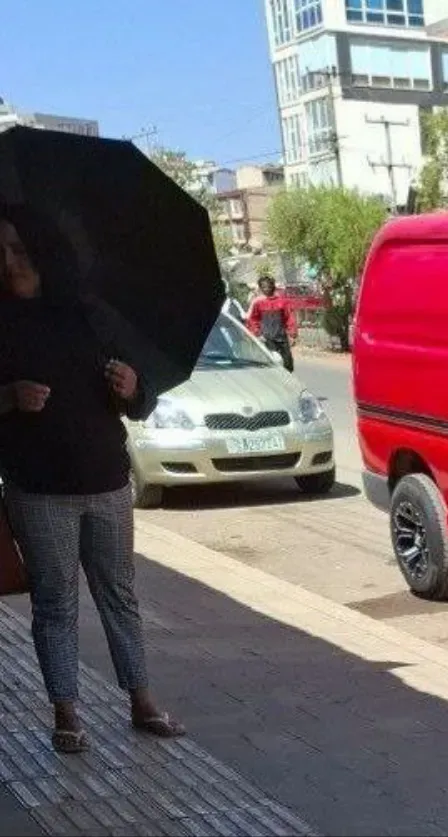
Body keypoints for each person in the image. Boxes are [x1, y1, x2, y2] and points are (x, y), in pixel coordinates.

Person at [0, 208, 185, 754]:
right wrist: (10, 397)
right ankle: (66, 713)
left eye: (17, 248)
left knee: (119, 596)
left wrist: (132, 387)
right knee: (55, 603)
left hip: (106, 481)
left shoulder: (89, 315)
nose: (9, 261)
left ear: (42, 249)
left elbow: (142, 398)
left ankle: (142, 700)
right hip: (38, 491)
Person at [246, 275, 298, 372]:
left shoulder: (283, 302)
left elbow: (290, 318)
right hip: (266, 339)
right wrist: (258, 334)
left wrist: (292, 334)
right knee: (271, 365)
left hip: (281, 337)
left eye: (268, 286)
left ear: (273, 287)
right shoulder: (258, 304)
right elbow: (253, 320)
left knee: (288, 364)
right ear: (261, 289)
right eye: (264, 287)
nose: (266, 289)